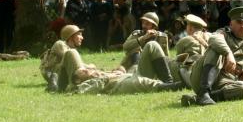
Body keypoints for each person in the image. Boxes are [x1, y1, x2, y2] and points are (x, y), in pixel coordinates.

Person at [46, 25, 183, 95]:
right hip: (118, 82)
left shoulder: (85, 69)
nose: (82, 37)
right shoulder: (67, 50)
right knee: (138, 81)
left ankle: (168, 82)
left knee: (152, 45)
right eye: (79, 35)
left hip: (126, 75)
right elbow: (81, 77)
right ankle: (171, 86)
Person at [182, 6, 243, 106]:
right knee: (215, 49)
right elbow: (213, 39)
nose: (242, 26)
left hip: (226, 83)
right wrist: (228, 53)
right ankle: (203, 92)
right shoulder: (223, 33)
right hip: (202, 78)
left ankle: (198, 98)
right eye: (238, 22)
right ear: (231, 24)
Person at [122, 11, 176, 81]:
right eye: (143, 23)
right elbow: (125, 47)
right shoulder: (136, 34)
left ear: (154, 26)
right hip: (135, 65)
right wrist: (143, 38)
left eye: (147, 24)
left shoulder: (162, 37)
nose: (144, 26)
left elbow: (165, 56)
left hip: (152, 67)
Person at [173, 13, 211, 87]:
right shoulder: (210, 36)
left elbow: (179, 59)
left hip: (193, 76)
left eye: (187, 25)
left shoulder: (185, 40)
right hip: (210, 75)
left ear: (190, 28)